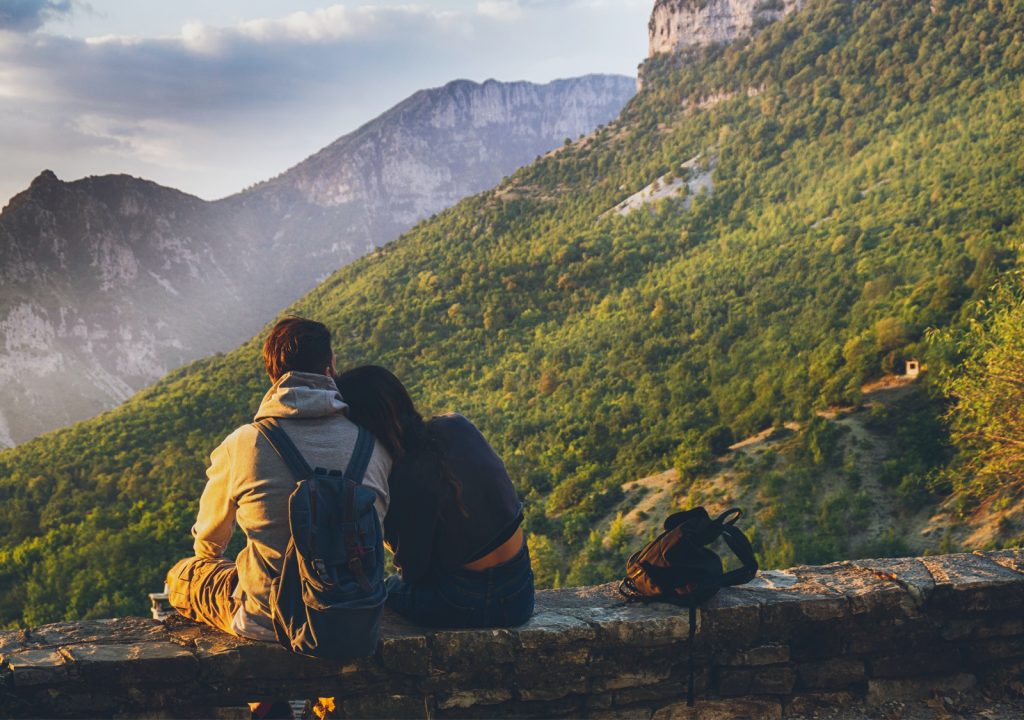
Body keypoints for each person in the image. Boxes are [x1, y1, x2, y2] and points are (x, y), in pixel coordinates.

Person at [165, 317, 392, 642]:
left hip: (267, 618)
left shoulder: (244, 442)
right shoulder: (373, 445)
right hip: (353, 614)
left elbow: (209, 539)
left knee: (184, 574)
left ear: (273, 375)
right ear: (330, 367)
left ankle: (261, 693)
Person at [335, 365, 533, 628]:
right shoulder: (456, 424)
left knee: (386, 589)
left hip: (466, 600)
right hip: (522, 589)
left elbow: (413, 572)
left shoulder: (402, 476)